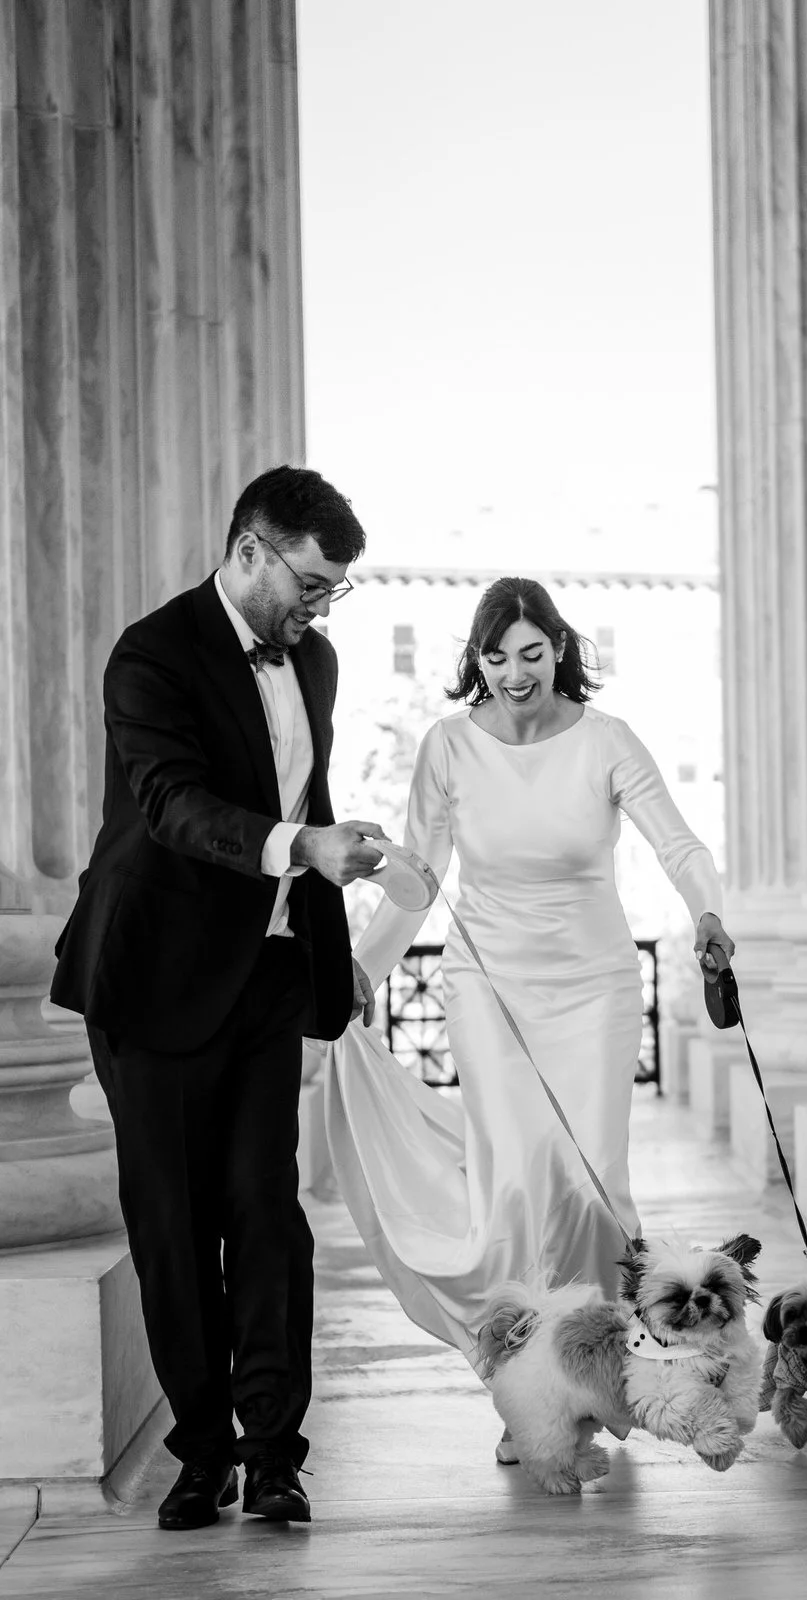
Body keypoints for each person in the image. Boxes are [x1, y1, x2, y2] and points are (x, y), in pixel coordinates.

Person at [324, 576, 734, 1461]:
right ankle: (525, 1395)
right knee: (514, 1188)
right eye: (498, 656)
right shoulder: (446, 747)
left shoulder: (605, 740)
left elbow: (680, 844)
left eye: (533, 652)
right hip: (487, 986)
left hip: (593, 986)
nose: (516, 672)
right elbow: (421, 879)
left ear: (559, 648)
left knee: (591, 1186)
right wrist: (364, 963)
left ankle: (603, 1376)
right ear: (478, 660)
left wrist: (706, 911)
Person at [51, 466, 384, 1531]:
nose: (319, 608)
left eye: (332, 590)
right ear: (249, 549)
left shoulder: (316, 662)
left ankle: (274, 1450)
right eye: (311, 582)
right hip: (152, 978)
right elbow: (173, 806)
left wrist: (341, 932)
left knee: (267, 1213)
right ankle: (202, 1454)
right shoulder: (152, 654)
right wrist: (301, 846)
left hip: (268, 978)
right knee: (173, 1224)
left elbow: (304, 795)